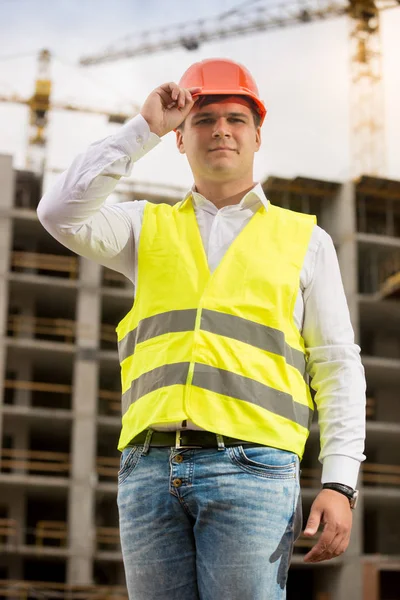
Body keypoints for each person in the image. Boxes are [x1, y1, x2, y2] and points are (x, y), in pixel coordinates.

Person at [37, 58, 366, 600]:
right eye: (204, 118)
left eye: (236, 119)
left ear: (258, 136)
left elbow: (336, 365)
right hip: (147, 469)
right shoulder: (145, 227)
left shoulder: (306, 241)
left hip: (254, 470)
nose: (221, 130)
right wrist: (142, 129)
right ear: (180, 137)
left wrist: (339, 482)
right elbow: (59, 212)